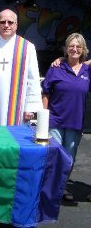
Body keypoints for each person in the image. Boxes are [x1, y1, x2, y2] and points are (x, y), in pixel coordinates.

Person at [42, 33, 90, 205]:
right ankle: (50, 190)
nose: (74, 49)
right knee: (55, 155)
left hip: (75, 122)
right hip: (55, 120)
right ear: (66, 48)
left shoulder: (87, 70)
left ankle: (61, 188)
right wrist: (44, 115)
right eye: (71, 45)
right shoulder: (56, 68)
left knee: (69, 158)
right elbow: (45, 92)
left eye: (78, 46)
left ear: (84, 50)